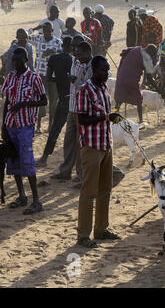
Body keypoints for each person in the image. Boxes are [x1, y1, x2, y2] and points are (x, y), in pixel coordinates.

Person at [75, 56, 122, 248]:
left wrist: (111, 118)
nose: (107, 73)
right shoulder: (85, 90)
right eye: (103, 70)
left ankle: (101, 230)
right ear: (94, 70)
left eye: (108, 70)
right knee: (88, 191)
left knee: (105, 190)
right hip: (91, 146)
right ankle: (83, 235)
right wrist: (105, 117)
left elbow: (103, 116)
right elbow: (82, 119)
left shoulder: (103, 88)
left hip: (105, 144)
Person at [1, 47, 48, 214]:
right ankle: (22, 196)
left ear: (26, 60)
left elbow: (44, 101)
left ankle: (36, 200)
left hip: (26, 125)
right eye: (14, 60)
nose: (16, 63)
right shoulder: (11, 77)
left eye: (19, 60)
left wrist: (24, 104)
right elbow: (7, 101)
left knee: (27, 161)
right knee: (13, 159)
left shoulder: (34, 78)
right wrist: (3, 125)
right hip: (10, 125)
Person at [50, 39, 89, 182]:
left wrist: (75, 80)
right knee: (68, 141)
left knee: (80, 143)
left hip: (82, 109)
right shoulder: (74, 60)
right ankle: (65, 171)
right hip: (72, 106)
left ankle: (80, 175)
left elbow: (87, 86)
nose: (72, 49)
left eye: (75, 47)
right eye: (72, 47)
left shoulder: (87, 63)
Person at [35, 37, 73, 167]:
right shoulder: (74, 61)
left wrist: (60, 80)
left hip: (63, 99)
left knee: (55, 130)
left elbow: (49, 78)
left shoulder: (53, 59)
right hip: (75, 100)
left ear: (62, 45)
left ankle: (44, 158)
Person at [28, 22, 62, 133]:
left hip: (53, 76)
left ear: (52, 31)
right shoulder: (38, 39)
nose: (47, 32)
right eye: (45, 30)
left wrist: (53, 51)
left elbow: (65, 53)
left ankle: (50, 125)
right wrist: (32, 29)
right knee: (39, 101)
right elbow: (24, 35)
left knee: (53, 101)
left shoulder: (57, 42)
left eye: (49, 30)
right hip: (40, 75)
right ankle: (38, 126)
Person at [115, 44, 160, 125]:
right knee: (139, 100)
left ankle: (114, 119)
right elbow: (149, 78)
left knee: (119, 99)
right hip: (132, 80)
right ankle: (141, 121)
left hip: (121, 77)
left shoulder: (135, 49)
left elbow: (124, 54)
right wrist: (157, 88)